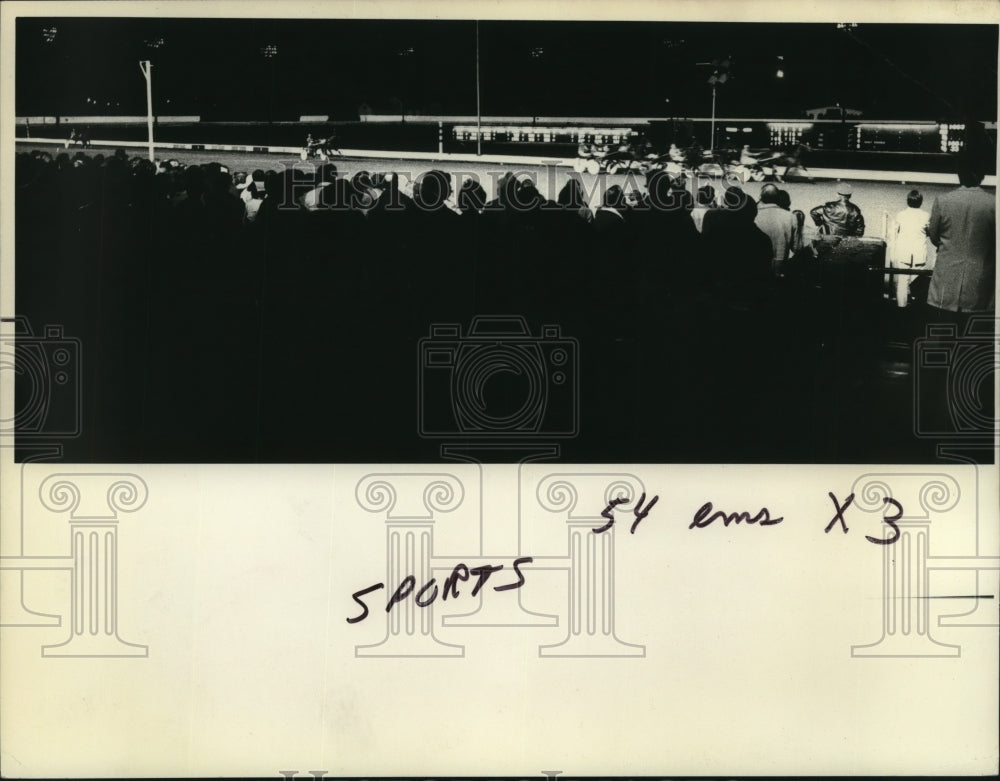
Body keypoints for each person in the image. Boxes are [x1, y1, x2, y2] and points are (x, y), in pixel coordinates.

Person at [926, 165, 995, 314]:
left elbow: (933, 236)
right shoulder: (994, 203)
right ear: (982, 177)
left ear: (959, 175)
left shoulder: (942, 201)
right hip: (980, 280)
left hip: (946, 279)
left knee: (944, 330)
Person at [889, 189, 931, 308]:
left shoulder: (901, 215)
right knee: (918, 283)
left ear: (907, 201)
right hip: (919, 253)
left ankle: (901, 308)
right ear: (921, 202)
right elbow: (929, 233)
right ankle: (917, 308)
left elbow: (893, 233)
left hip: (903, 252)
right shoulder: (926, 215)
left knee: (902, 282)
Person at [754, 183, 798, 276]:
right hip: (780, 266)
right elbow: (795, 247)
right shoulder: (790, 217)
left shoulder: (753, 215)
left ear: (761, 197)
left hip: (757, 263)